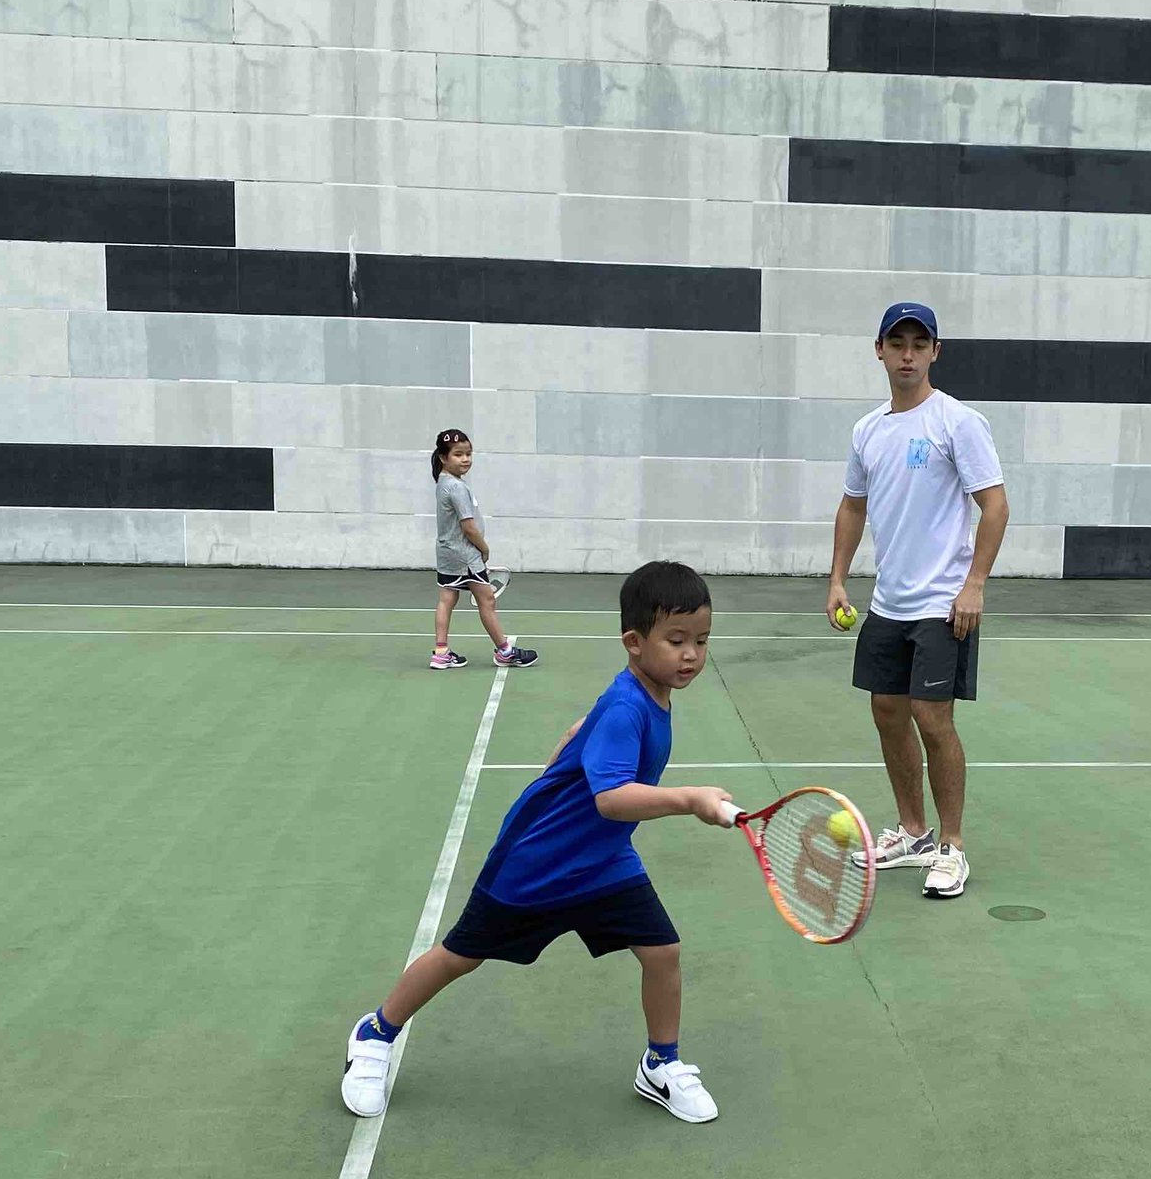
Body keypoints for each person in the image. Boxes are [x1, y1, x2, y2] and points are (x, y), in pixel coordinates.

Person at [342, 560, 734, 1125]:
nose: (691, 654)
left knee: (662, 952)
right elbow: (611, 799)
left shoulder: (639, 694)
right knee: (460, 956)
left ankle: (660, 1063)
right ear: (633, 641)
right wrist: (688, 799)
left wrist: (579, 732)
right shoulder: (630, 705)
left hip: (602, 861)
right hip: (539, 861)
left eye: (701, 640)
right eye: (676, 640)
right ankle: (376, 1033)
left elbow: (594, 732)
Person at [824, 302, 1008, 901]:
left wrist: (974, 583)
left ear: (935, 352)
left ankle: (952, 847)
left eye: (918, 344)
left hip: (941, 603)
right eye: (896, 343)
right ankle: (913, 831)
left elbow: (995, 505)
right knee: (886, 712)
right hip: (889, 602)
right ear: (879, 350)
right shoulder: (869, 430)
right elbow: (853, 505)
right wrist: (837, 580)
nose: (907, 354)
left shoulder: (958, 422)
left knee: (934, 718)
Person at [429, 428, 536, 671]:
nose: (465, 459)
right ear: (444, 458)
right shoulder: (456, 487)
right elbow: (469, 527)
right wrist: (484, 549)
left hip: (446, 553)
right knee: (486, 599)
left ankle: (441, 653)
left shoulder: (443, 482)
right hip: (465, 556)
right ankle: (505, 651)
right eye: (458, 454)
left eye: (468, 453)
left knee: (447, 599)